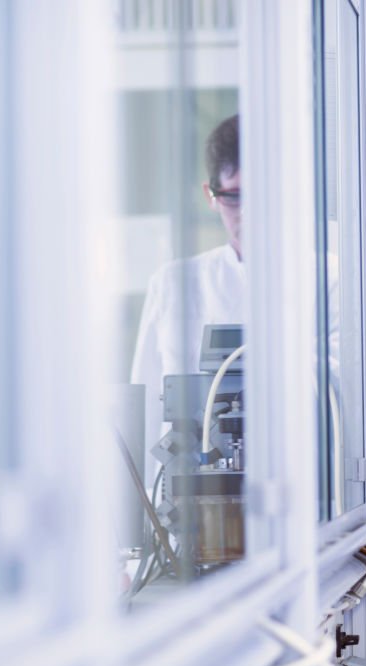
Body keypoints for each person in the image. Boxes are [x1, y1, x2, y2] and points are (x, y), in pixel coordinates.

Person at [130, 114, 246, 458]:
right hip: (193, 498)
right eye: (234, 197)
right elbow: (148, 407)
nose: (250, 211)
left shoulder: (332, 282)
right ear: (210, 195)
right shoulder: (174, 285)